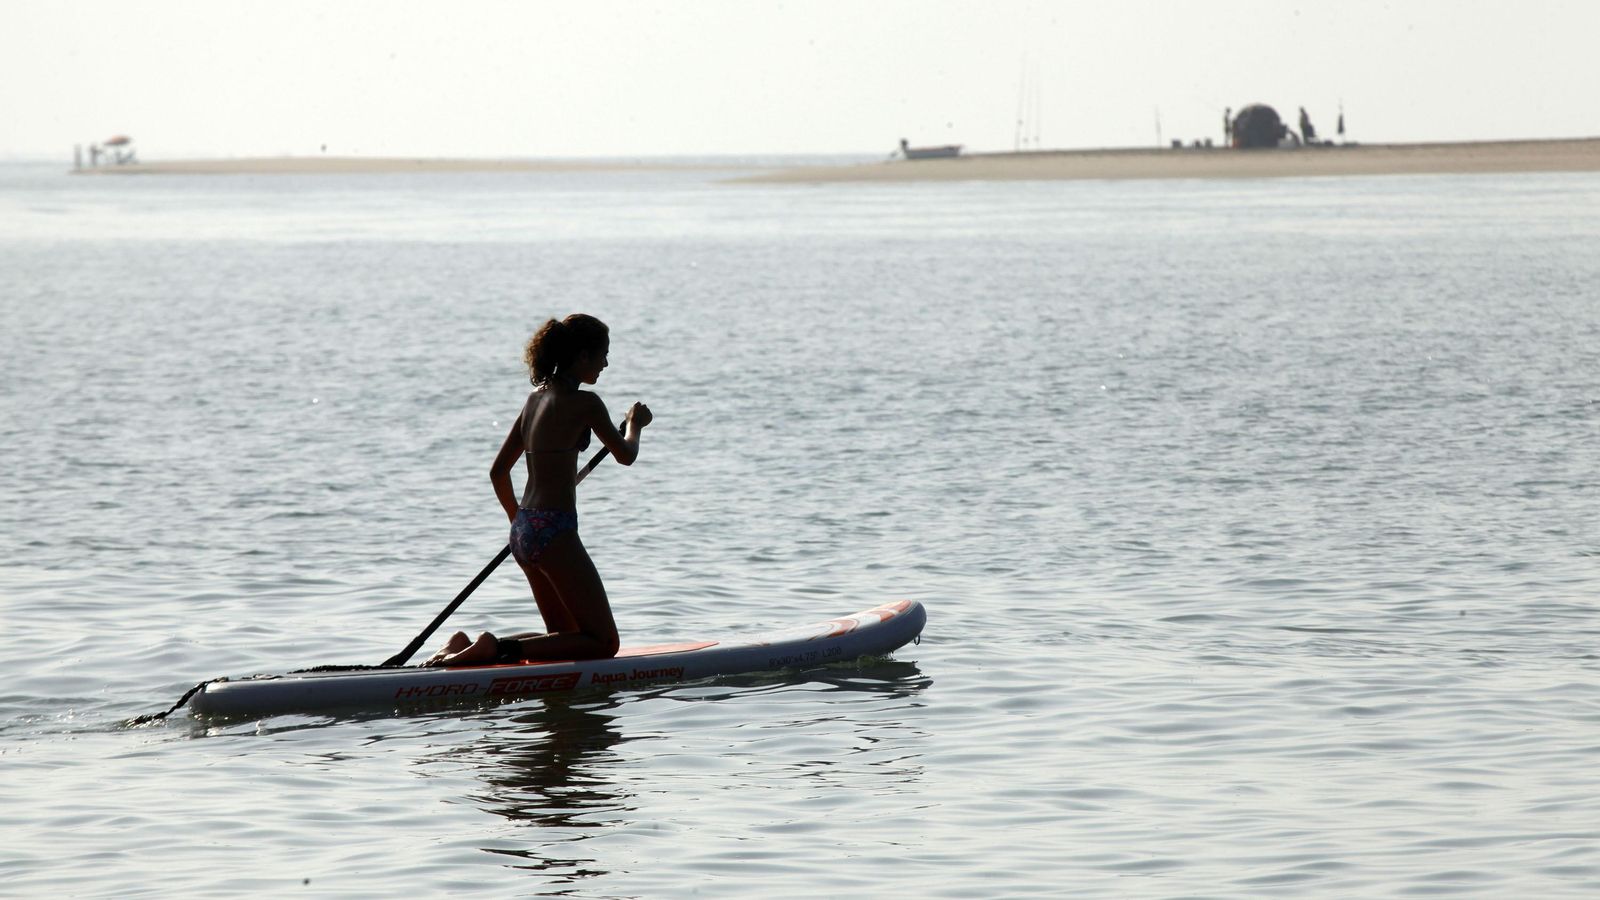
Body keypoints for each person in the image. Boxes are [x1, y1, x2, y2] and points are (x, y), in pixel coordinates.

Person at [425, 313, 651, 666]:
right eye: (603, 354)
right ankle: (495, 647)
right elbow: (626, 455)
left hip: (525, 530)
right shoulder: (586, 403)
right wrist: (635, 425)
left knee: (564, 640)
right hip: (554, 530)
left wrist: (522, 522)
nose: (606, 363)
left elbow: (498, 472)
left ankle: (464, 645)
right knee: (604, 643)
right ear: (581, 357)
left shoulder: (534, 399)